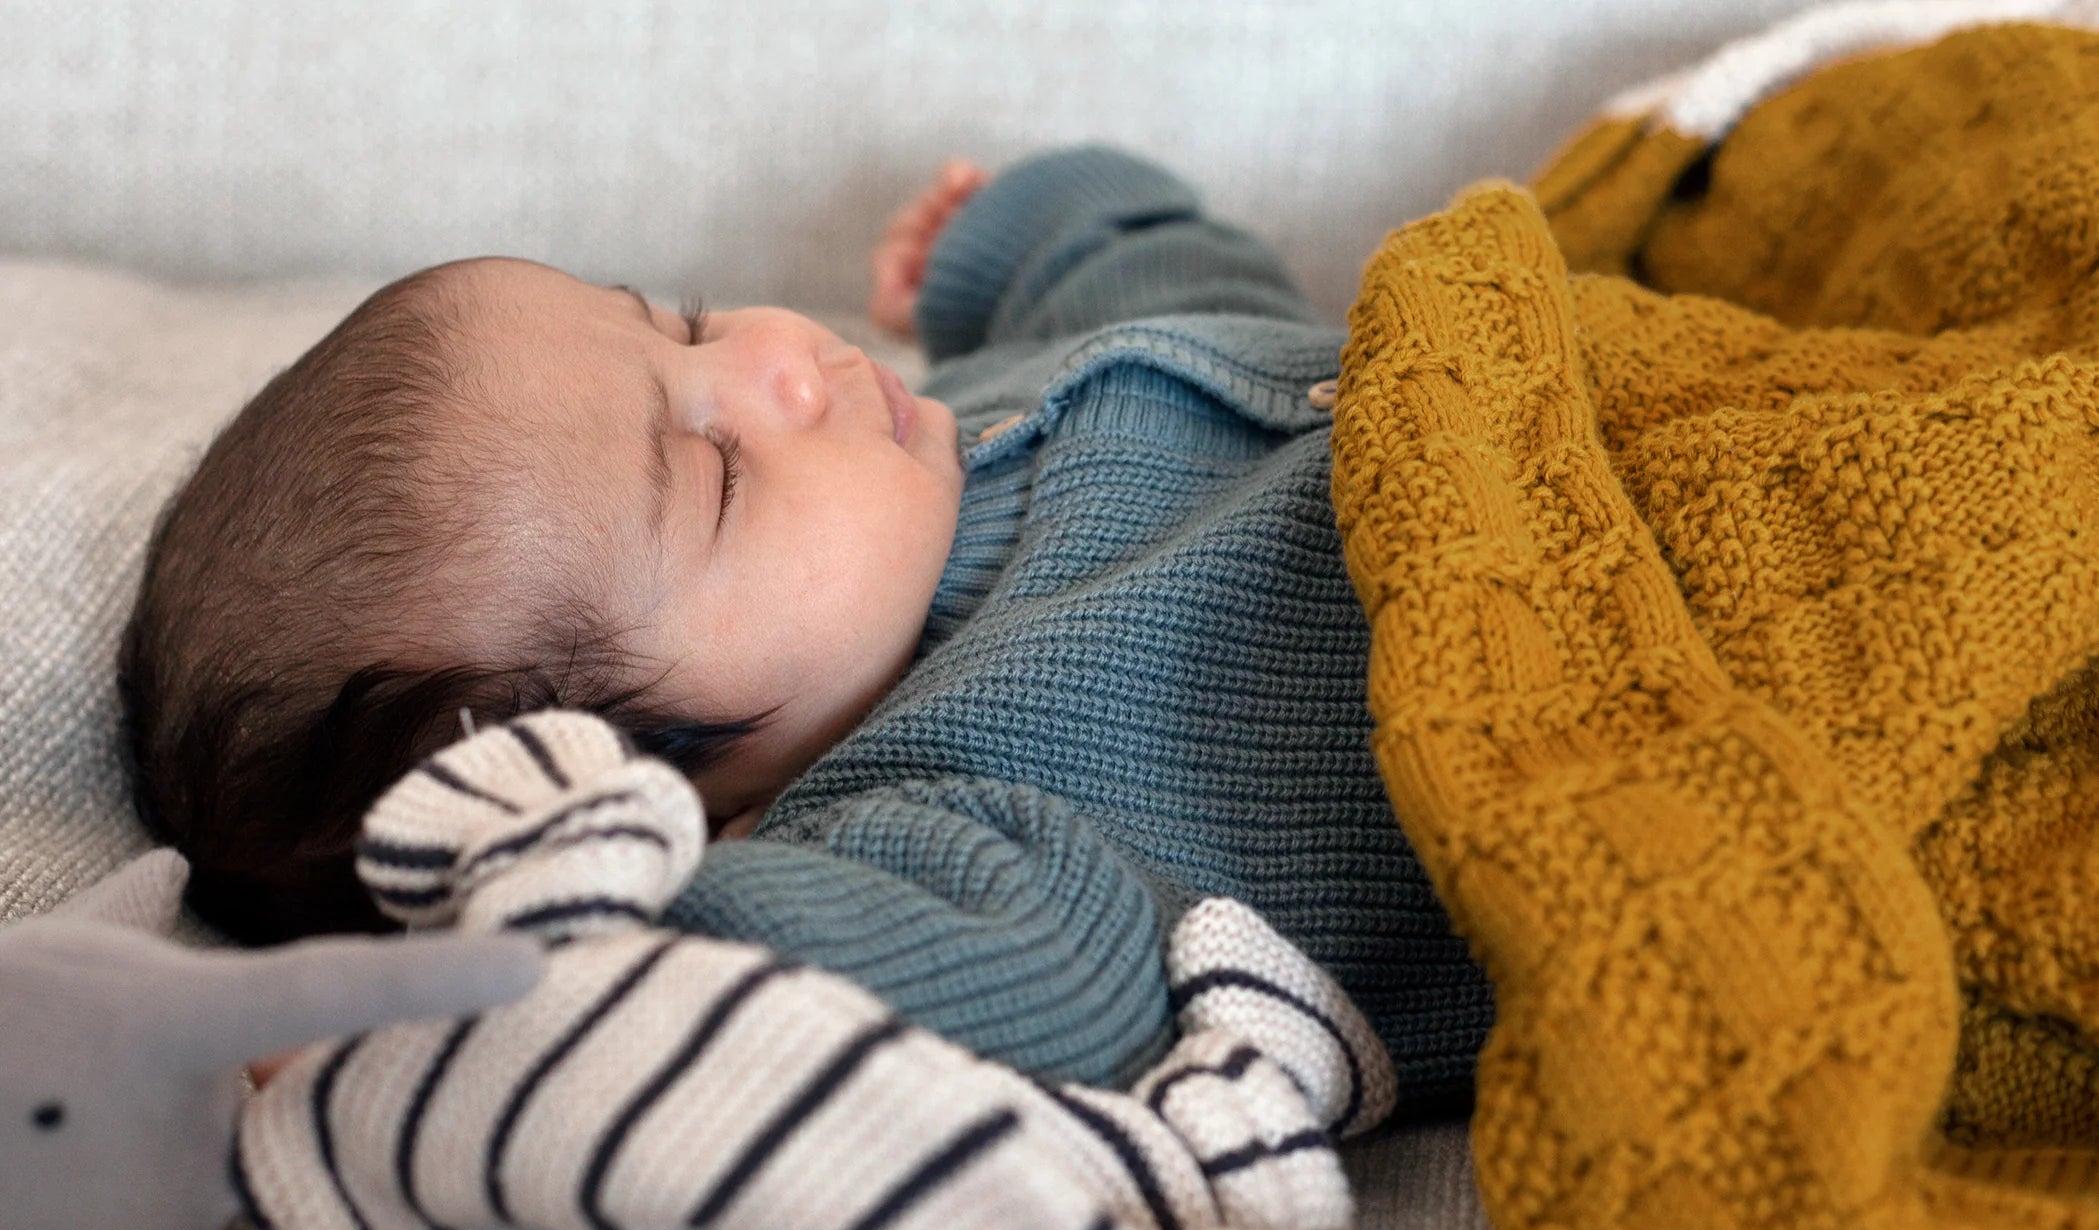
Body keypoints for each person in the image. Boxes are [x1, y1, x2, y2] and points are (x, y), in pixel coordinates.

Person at [120, 146, 1496, 1102]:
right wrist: (506, 1011)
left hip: (1564, 383)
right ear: (678, 814)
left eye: (684, 322)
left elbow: (1184, 309)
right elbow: (967, 992)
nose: (778, 354)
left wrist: (1041, 227)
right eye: (714, 475)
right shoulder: (952, 824)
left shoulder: (968, 428)